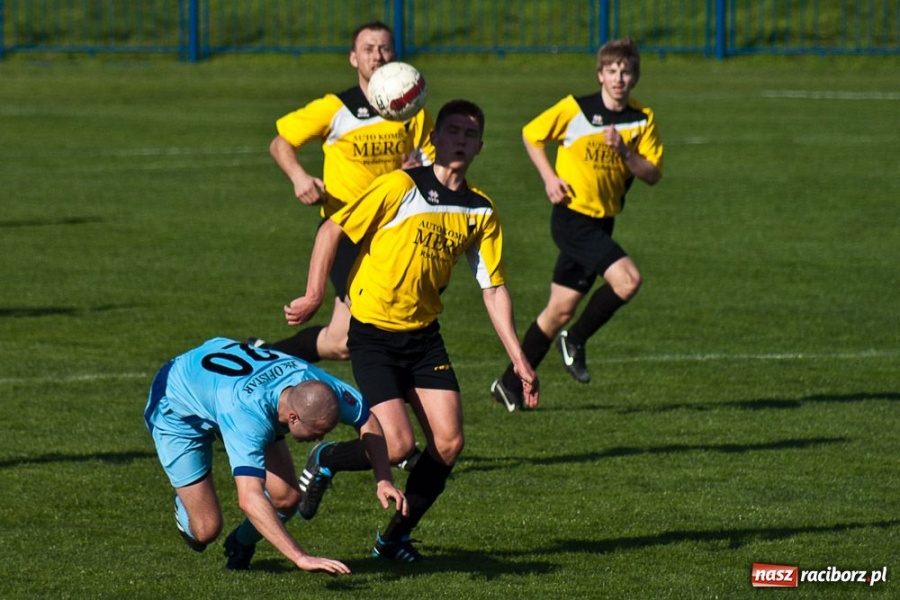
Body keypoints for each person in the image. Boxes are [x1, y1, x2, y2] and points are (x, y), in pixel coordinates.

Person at [283, 100, 539, 562]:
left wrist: (520, 359)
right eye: (453, 131)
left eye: (470, 134)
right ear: (435, 139)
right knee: (399, 444)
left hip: (423, 338)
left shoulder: (480, 209)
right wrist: (314, 294)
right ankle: (326, 460)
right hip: (374, 335)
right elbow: (332, 231)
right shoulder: (400, 185)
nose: (461, 139)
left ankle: (395, 537)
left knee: (449, 443)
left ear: (480, 146)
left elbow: (494, 288)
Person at [490, 37, 664, 411]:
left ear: (635, 78)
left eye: (626, 72)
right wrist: (549, 178)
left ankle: (508, 384)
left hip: (603, 223)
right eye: (612, 71)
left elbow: (651, 174)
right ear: (600, 74)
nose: (619, 78)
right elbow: (531, 134)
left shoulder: (641, 119)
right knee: (628, 280)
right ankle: (576, 341)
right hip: (572, 218)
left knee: (558, 311)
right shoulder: (576, 109)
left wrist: (624, 151)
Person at [143, 336, 407, 573]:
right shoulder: (247, 416)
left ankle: (240, 543)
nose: (322, 437)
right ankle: (184, 499)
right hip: (177, 408)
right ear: (292, 417)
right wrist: (300, 557)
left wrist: (383, 479)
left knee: (287, 499)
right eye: (317, 432)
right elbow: (249, 498)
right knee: (205, 530)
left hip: (223, 387)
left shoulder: (316, 384)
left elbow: (367, 419)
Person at [258, 21, 435, 363]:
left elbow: (430, 162)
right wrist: (299, 178)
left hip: (393, 232)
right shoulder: (335, 108)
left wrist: (419, 173)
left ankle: (265, 355)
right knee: (374, 325)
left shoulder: (411, 109)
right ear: (354, 58)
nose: (377, 56)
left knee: (340, 342)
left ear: (395, 55)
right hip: (346, 231)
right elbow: (281, 143)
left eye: (384, 48)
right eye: (368, 49)